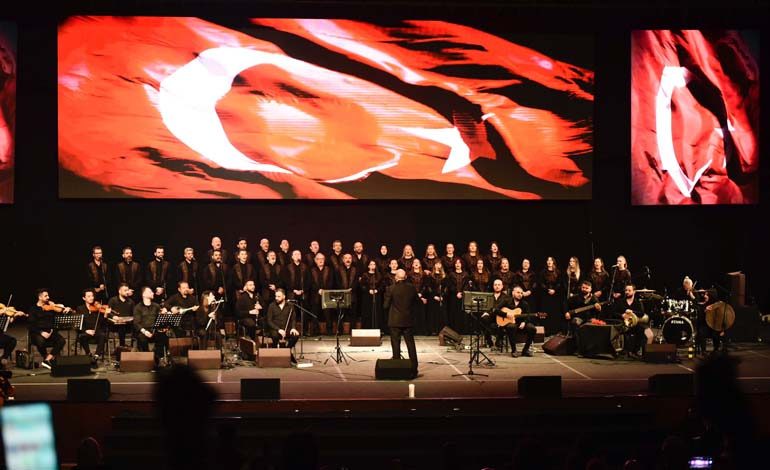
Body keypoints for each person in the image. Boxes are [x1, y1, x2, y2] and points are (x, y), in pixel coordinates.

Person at [384, 269, 418, 376]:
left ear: (396, 277)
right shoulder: (411, 288)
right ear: (405, 277)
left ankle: (397, 366)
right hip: (408, 320)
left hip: (395, 320)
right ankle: (414, 368)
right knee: (410, 344)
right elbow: (417, 302)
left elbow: (385, 305)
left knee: (396, 344)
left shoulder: (391, 288)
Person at [487, 282, 535, 357]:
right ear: (513, 293)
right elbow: (495, 309)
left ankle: (525, 350)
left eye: (521, 293)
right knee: (511, 327)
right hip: (508, 323)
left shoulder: (524, 304)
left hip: (520, 323)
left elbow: (528, 315)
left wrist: (524, 322)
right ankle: (514, 350)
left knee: (532, 328)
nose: (520, 294)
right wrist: (506, 314)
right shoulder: (507, 301)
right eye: (518, 292)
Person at [28, 288, 69, 369]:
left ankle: (47, 360)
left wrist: (67, 309)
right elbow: (30, 325)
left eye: (48, 295)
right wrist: (41, 332)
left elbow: (60, 311)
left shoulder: (51, 307)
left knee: (62, 341)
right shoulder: (33, 309)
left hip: (50, 332)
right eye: (46, 296)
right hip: (37, 333)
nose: (48, 297)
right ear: (40, 297)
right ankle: (46, 357)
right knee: (40, 341)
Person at [133, 286, 169, 367]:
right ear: (144, 294)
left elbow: (160, 320)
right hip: (143, 331)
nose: (153, 293)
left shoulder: (156, 306)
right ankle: (147, 359)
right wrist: (145, 331)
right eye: (150, 292)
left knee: (163, 336)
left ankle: (158, 357)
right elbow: (136, 323)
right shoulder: (138, 307)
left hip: (154, 329)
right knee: (142, 338)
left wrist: (164, 314)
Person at [612, 284, 650, 358]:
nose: (627, 292)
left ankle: (635, 351)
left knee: (642, 330)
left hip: (634, 324)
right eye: (626, 290)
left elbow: (641, 314)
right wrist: (621, 315)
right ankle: (621, 350)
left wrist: (632, 311)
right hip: (622, 323)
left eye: (629, 290)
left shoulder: (638, 302)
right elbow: (613, 313)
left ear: (634, 292)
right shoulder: (620, 301)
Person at [565, 280, 602, 350]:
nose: (584, 289)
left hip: (589, 318)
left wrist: (599, 309)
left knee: (592, 325)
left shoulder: (594, 299)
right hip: (579, 317)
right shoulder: (576, 297)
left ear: (590, 289)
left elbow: (598, 313)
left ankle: (588, 348)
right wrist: (566, 312)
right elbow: (566, 304)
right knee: (575, 322)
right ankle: (577, 347)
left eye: (586, 288)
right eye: (583, 287)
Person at [76, 288, 109, 361]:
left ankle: (96, 356)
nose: (92, 298)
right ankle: (89, 354)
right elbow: (78, 324)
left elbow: (102, 323)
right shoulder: (80, 308)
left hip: (97, 331)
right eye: (89, 296)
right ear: (84, 298)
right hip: (86, 331)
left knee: (102, 335)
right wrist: (86, 331)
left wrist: (105, 315)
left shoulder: (97, 308)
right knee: (82, 336)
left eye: (92, 296)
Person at [266, 289, 299, 356]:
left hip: (287, 329)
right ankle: (275, 352)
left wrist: (293, 327)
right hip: (275, 329)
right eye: (276, 296)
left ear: (284, 297)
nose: (276, 298)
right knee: (275, 335)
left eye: (279, 296)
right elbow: (269, 321)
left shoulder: (290, 305)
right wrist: (278, 329)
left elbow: (293, 319)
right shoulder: (271, 306)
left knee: (295, 335)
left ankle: (287, 351)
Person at [309, 253, 334, 335]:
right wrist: (318, 290)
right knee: (314, 313)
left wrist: (324, 290)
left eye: (322, 259)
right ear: (315, 260)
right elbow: (310, 282)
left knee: (328, 314)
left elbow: (331, 281)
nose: (321, 260)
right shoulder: (311, 270)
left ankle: (329, 331)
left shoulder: (329, 269)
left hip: (326, 294)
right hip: (315, 294)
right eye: (319, 259)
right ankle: (315, 331)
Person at [539, 256, 563, 335]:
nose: (549, 262)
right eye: (548, 260)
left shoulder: (558, 272)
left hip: (555, 295)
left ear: (553, 262)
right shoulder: (543, 272)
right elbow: (541, 283)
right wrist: (547, 290)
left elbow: (560, 283)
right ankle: (547, 330)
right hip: (546, 294)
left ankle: (554, 330)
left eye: (551, 260)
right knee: (546, 312)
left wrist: (554, 290)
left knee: (554, 312)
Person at [107, 283, 135, 347]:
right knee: (121, 326)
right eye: (125, 290)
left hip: (128, 324)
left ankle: (135, 348)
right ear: (119, 291)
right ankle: (122, 346)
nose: (127, 292)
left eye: (127, 290)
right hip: (115, 325)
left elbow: (134, 313)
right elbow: (108, 312)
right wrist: (113, 316)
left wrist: (130, 319)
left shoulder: (131, 301)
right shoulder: (113, 300)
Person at [446, 258, 470, 334]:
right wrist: (456, 292)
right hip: (453, 296)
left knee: (462, 313)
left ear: (461, 264)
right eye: (456, 263)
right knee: (454, 312)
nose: (457, 264)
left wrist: (462, 293)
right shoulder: (451, 274)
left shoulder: (466, 274)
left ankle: (462, 330)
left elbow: (467, 285)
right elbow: (450, 285)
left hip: (463, 296)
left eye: (459, 263)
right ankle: (454, 330)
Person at [360, 260, 383, 330]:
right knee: (367, 312)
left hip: (376, 296)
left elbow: (382, 285)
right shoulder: (365, 274)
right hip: (367, 296)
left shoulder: (379, 275)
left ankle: (377, 329)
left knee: (376, 312)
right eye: (371, 264)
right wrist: (368, 290)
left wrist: (377, 290)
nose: (372, 266)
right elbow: (362, 285)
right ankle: (367, 329)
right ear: (368, 266)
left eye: (374, 264)